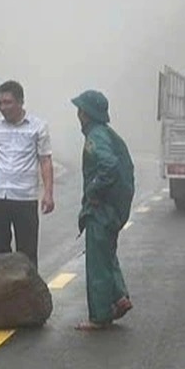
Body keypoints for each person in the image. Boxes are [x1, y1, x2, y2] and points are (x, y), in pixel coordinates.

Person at [71, 89, 135, 330]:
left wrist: (93, 190)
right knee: (106, 253)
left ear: (85, 113)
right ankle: (119, 297)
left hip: (101, 209)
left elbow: (109, 165)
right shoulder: (106, 133)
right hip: (113, 208)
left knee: (97, 261)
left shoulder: (95, 137)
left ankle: (99, 316)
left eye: (80, 110)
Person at [0, 80, 54, 267]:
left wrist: (48, 193)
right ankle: (2, 286)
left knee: (26, 254)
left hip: (24, 197)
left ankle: (29, 287)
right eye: (0, 103)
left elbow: (45, 161)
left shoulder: (38, 127)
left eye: (8, 102)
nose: (3, 107)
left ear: (20, 102)